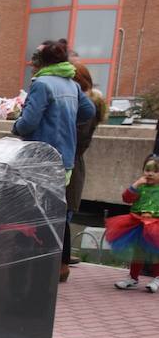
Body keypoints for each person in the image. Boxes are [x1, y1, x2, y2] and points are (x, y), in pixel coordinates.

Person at [12, 39, 96, 282]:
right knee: (54, 216)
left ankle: (29, 269)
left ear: (43, 63)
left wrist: (16, 125)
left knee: (33, 216)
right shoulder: (71, 85)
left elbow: (27, 123)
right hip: (65, 161)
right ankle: (50, 267)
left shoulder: (42, 85)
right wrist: (66, 121)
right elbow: (88, 111)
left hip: (40, 159)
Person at [65, 63, 106, 267]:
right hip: (73, 164)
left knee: (64, 214)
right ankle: (63, 258)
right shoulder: (87, 106)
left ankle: (61, 261)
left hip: (71, 165)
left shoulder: (85, 109)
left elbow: (78, 140)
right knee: (65, 214)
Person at [106, 155, 159, 292]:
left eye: (155, 171)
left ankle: (157, 278)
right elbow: (126, 198)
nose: (150, 173)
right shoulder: (140, 187)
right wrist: (135, 184)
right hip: (137, 223)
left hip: (155, 225)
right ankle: (133, 277)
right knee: (138, 252)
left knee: (156, 252)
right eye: (147, 170)